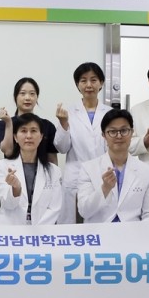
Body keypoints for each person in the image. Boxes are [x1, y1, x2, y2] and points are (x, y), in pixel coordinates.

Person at [77, 109, 149, 298]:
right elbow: (84, 210)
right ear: (104, 135)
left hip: (135, 235)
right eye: (112, 131)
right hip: (99, 235)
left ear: (132, 133)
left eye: (124, 130)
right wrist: (104, 188)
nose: (119, 136)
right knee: (103, 261)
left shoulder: (146, 171)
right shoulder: (89, 168)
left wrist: (143, 236)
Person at [0, 113, 63, 298]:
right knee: (13, 270)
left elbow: (55, 207)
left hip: (41, 231)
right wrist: (15, 189)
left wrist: (36, 231)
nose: (28, 136)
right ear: (15, 137)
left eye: (34, 131)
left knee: (34, 270)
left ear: (42, 136)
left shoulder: (54, 170)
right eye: (23, 131)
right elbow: (7, 204)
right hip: (10, 229)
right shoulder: (3, 166)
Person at [53, 62, 111, 225]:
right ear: (77, 85)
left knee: (101, 227)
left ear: (101, 83)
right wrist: (63, 124)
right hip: (75, 177)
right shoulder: (68, 113)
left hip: (102, 176)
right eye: (83, 80)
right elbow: (61, 148)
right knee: (73, 226)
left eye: (93, 80)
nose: (89, 85)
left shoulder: (111, 114)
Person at [0, 77, 58, 165]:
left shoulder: (47, 125)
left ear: (37, 97)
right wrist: (9, 123)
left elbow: (52, 159)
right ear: (15, 97)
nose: (27, 98)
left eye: (32, 94)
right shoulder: (4, 124)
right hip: (12, 171)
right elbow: (8, 152)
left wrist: (54, 173)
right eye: (22, 93)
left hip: (42, 172)